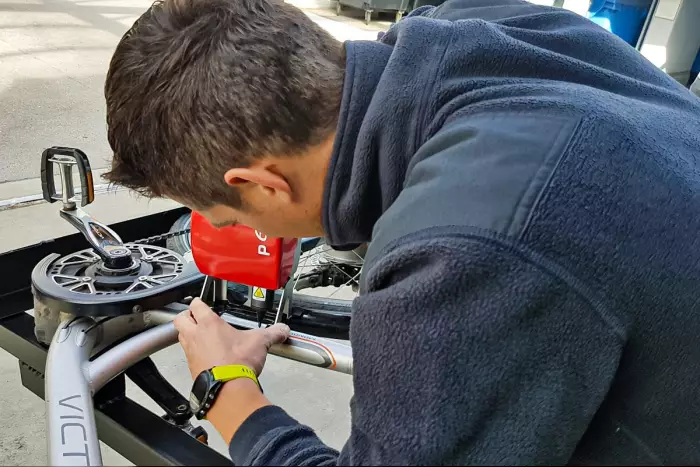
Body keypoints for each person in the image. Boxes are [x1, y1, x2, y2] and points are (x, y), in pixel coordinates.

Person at [103, 0, 700, 464]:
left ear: (263, 184)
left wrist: (227, 389)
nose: (236, 228)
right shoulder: (490, 27)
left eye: (231, 217)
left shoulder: (462, 247)